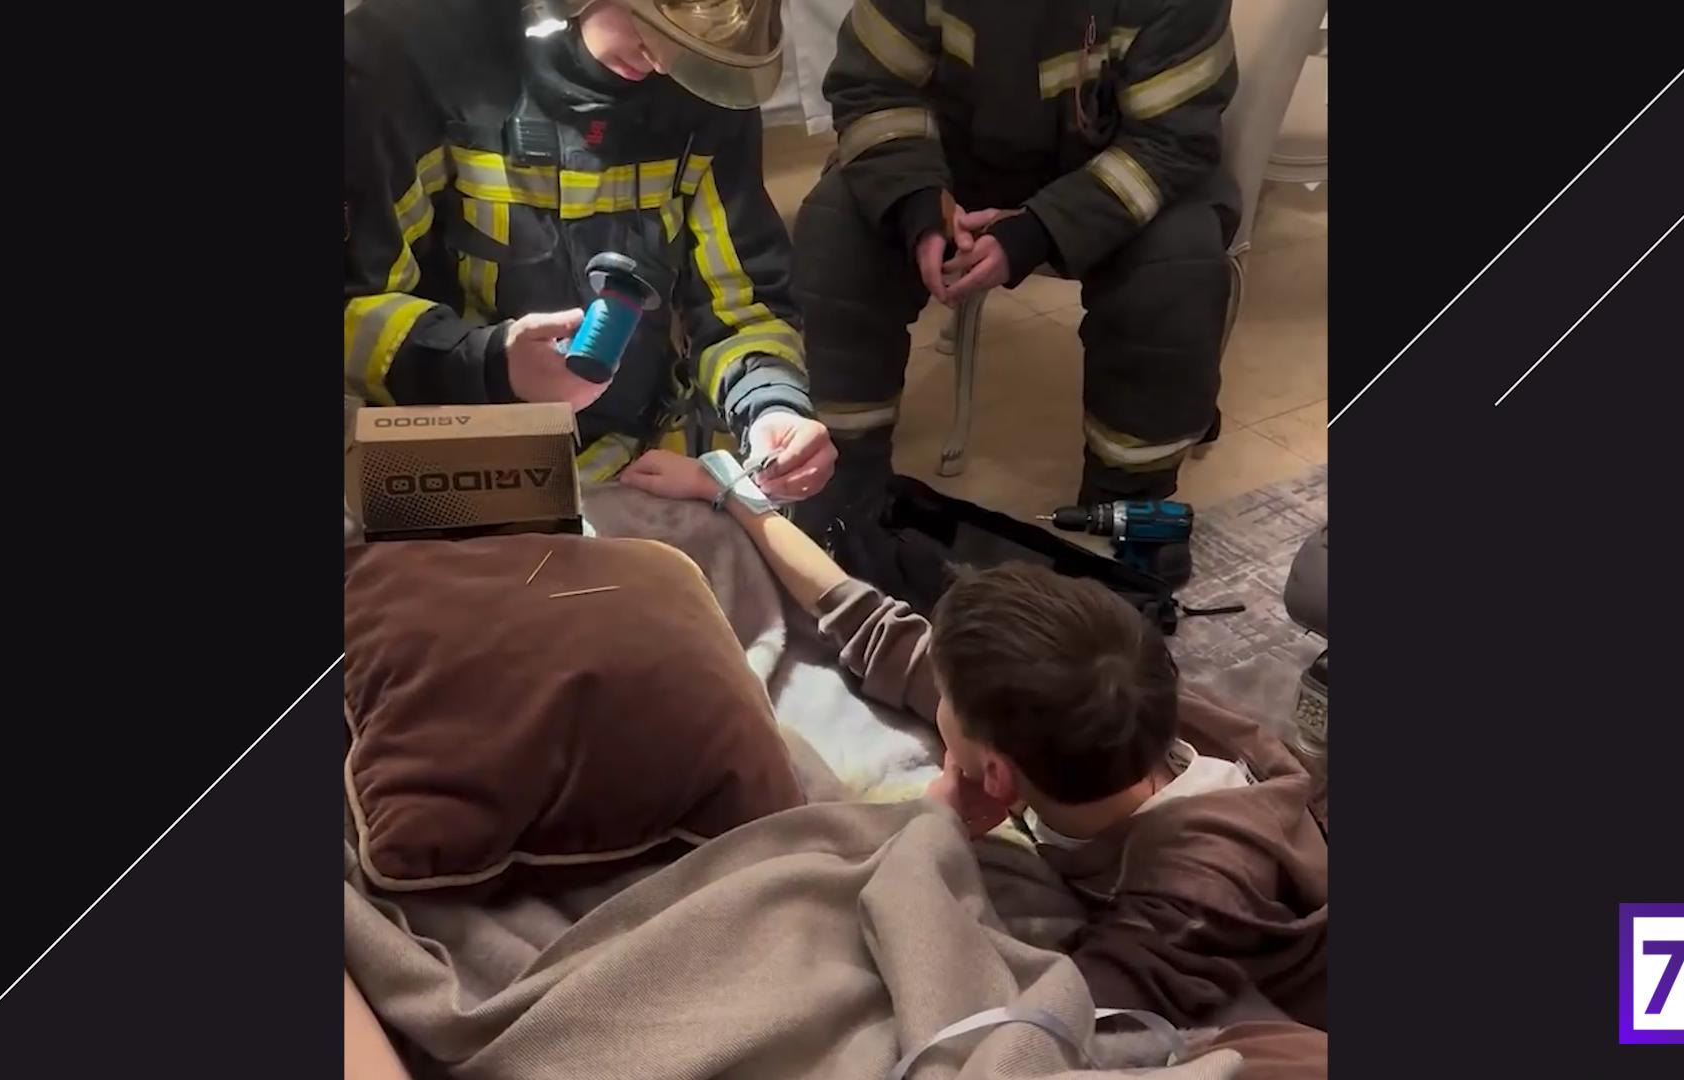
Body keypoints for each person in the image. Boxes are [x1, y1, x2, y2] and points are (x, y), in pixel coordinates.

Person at [620, 447, 1328, 1030]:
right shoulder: (1090, 703)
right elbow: (867, 620)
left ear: (996, 776)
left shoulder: (1194, 897)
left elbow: (1036, 1032)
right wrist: (730, 492)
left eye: (947, 699)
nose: (931, 679)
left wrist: (929, 830)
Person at [344, 0, 834, 499]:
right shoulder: (405, 61)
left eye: (688, 44)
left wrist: (771, 404)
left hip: (634, 465)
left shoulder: (704, 83)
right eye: (650, 26)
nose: (662, 61)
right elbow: (354, 308)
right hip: (450, 473)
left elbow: (740, 306)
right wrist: (488, 363)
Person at [792, 0, 1239, 531]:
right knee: (835, 233)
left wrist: (1038, 231)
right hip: (954, 164)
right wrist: (916, 201)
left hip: (1118, 167)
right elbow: (872, 87)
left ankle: (1130, 510)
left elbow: (1171, 142)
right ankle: (843, 492)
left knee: (1175, 271)